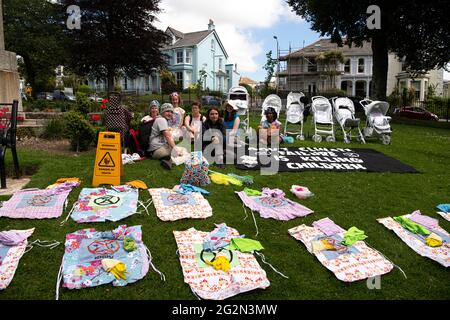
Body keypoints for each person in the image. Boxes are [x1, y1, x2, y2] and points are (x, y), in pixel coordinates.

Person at [148, 103, 183, 170]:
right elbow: (168, 136)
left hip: (156, 149)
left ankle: (168, 160)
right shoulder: (161, 120)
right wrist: (176, 149)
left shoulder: (160, 119)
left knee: (180, 150)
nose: (170, 114)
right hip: (157, 150)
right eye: (167, 111)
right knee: (181, 152)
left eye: (171, 112)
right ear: (162, 112)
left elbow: (168, 136)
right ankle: (170, 161)